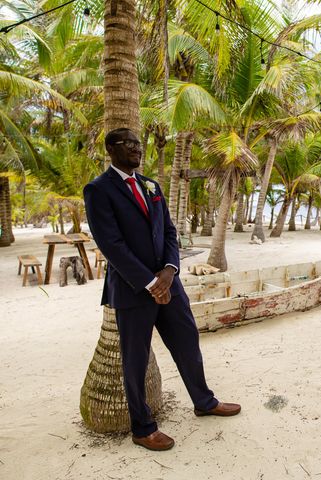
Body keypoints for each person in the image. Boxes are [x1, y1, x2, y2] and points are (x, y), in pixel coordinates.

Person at [84, 128, 241, 451]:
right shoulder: (99, 190)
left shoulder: (151, 186)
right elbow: (110, 244)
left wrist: (170, 270)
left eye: (139, 144)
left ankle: (204, 401)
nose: (137, 149)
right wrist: (150, 282)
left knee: (187, 341)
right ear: (111, 149)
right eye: (129, 144)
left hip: (169, 284)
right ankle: (142, 428)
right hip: (133, 289)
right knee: (135, 360)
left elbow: (170, 232)